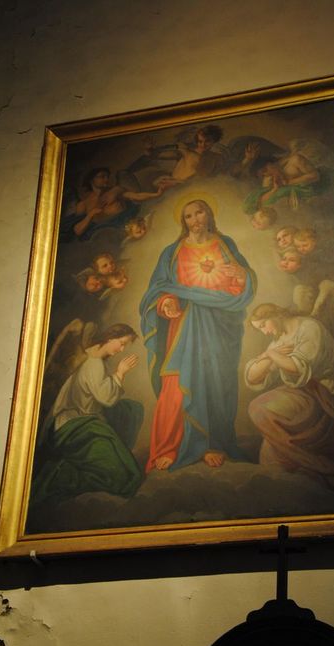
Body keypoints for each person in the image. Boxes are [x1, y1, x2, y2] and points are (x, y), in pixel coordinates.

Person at [140, 199, 256, 471]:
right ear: (184, 222)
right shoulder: (172, 252)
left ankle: (213, 444)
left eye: (199, 212)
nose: (194, 220)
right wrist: (166, 302)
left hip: (220, 324)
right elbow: (158, 288)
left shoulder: (225, 244)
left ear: (209, 214)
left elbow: (244, 281)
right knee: (177, 381)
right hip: (185, 323)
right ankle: (173, 446)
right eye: (188, 216)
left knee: (216, 380)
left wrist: (242, 276)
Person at [29, 324, 144, 508]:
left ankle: (113, 451)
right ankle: (60, 474)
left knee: (131, 409)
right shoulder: (94, 363)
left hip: (84, 418)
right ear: (110, 337)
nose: (122, 349)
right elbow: (105, 398)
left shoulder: (94, 357)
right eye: (121, 343)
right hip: (74, 426)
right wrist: (120, 373)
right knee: (125, 477)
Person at [245, 303, 334, 490]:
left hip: (325, 395)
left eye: (263, 325)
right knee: (270, 458)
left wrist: (270, 355)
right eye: (260, 329)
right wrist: (270, 355)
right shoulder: (280, 339)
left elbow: (296, 367)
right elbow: (252, 377)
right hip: (302, 392)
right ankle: (299, 468)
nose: (265, 332)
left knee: (259, 408)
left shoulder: (309, 328)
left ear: (275, 315)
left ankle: (318, 465)